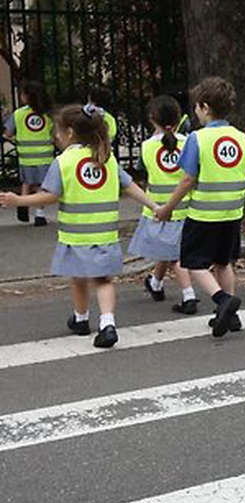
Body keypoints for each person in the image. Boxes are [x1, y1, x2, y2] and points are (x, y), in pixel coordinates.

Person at [0, 104, 155, 348]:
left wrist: (20, 200)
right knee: (103, 280)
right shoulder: (106, 157)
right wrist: (154, 205)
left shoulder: (65, 161)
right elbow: (129, 186)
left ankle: (81, 319)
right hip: (105, 233)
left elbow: (49, 196)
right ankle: (107, 323)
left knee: (79, 279)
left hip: (75, 235)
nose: (56, 136)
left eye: (58, 131)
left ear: (70, 133)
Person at [154, 76, 245, 339]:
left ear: (205, 107)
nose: (196, 113)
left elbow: (188, 179)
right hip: (232, 213)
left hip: (203, 213)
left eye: (197, 108)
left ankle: (222, 301)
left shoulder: (197, 139)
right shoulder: (242, 138)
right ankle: (231, 316)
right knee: (224, 262)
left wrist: (167, 208)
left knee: (194, 262)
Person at [128, 95, 197, 314]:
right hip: (187, 208)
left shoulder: (147, 146)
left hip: (157, 209)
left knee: (174, 254)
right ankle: (155, 282)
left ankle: (189, 295)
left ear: (151, 119)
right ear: (179, 118)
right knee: (169, 249)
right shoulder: (189, 142)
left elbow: (142, 171)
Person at [4, 80, 54, 226]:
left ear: (26, 97)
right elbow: (54, 133)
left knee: (26, 182)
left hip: (26, 156)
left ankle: (22, 204)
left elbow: (7, 133)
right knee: (41, 185)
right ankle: (39, 214)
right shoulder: (47, 114)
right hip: (45, 156)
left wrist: (16, 138)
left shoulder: (18, 114)